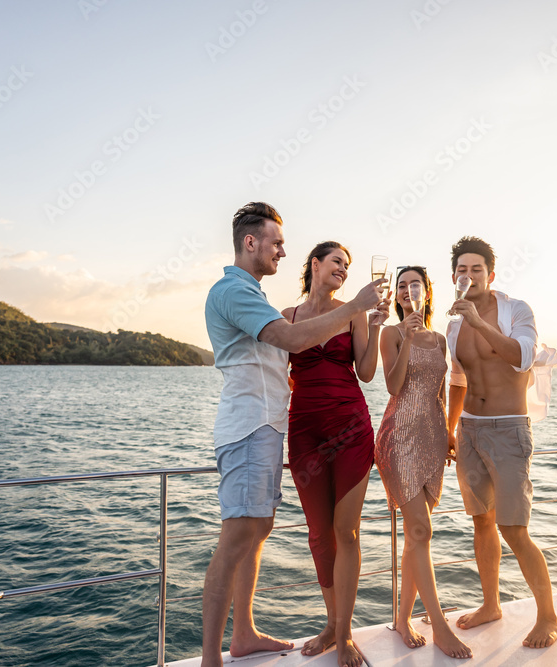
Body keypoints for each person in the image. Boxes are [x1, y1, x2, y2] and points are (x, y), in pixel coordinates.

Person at [201, 203, 384, 667]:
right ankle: (211, 659)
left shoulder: (254, 294)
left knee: (259, 529)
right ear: (250, 242)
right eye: (276, 242)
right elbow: (293, 342)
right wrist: (359, 306)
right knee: (246, 532)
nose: (282, 250)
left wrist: (366, 320)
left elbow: (348, 369)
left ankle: (244, 635)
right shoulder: (244, 295)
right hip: (261, 427)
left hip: (285, 426)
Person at [445, 237, 557, 649]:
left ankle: (548, 617)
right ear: (454, 276)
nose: (468, 275)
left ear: (490, 275)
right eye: (461, 270)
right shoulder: (453, 324)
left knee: (514, 528)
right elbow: (458, 378)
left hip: (509, 429)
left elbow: (523, 356)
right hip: (471, 431)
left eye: (476, 269)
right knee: (481, 523)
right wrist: (450, 427)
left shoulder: (516, 310)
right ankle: (491, 605)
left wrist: (479, 321)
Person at [280, 242, 391, 667]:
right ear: (315, 265)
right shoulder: (287, 318)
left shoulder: (355, 310)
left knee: (346, 532)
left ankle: (343, 633)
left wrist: (376, 324)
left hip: (350, 426)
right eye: (337, 262)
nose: (344, 270)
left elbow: (365, 372)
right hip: (305, 430)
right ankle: (330, 623)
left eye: (348, 265)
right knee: (318, 534)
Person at [374, 266, 473, 659]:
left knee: (417, 536)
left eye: (414, 284)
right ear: (398, 297)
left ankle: (402, 619)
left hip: (432, 439)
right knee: (422, 530)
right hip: (399, 439)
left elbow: (442, 391)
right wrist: (408, 339)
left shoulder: (440, 340)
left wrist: (449, 432)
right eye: (402, 286)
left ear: (427, 292)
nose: (407, 290)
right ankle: (440, 627)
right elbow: (394, 387)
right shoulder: (391, 334)